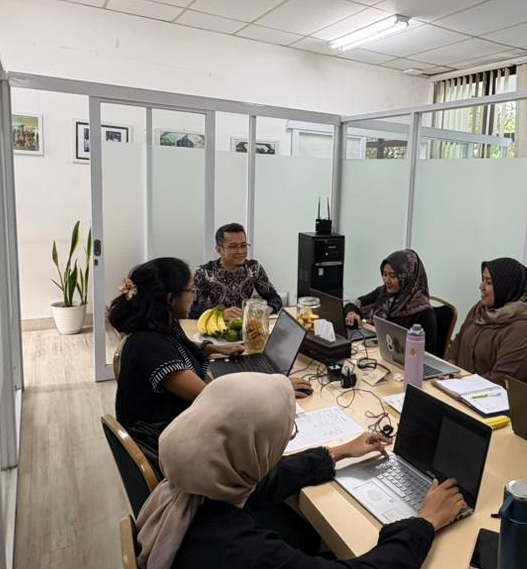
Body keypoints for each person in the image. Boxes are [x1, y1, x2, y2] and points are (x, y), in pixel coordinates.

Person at [136, 373, 468, 569]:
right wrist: (425, 523)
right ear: (251, 450)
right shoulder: (246, 552)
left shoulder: (194, 485)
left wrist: (338, 452)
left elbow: (265, 482)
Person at [110, 257, 310, 465]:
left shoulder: (158, 326)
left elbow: (179, 348)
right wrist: (276, 386)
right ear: (171, 299)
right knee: (272, 455)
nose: (194, 297)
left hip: (174, 431)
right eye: (191, 291)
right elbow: (212, 397)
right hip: (168, 452)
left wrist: (214, 349)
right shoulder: (149, 345)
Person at [445, 258, 527, 387]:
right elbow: (458, 341)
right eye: (483, 279)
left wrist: (459, 384)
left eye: (488, 282)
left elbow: (500, 380)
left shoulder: (526, 331)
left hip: (493, 396)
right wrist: (449, 370)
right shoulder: (480, 310)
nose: (481, 286)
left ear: (506, 288)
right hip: (460, 388)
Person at [344, 249, 441, 355]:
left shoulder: (424, 312)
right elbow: (355, 303)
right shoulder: (383, 292)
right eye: (384, 274)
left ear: (407, 276)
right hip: (379, 353)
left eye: (393, 276)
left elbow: (427, 356)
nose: (386, 280)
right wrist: (351, 312)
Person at [190, 223, 284, 321]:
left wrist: (265, 310)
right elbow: (189, 308)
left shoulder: (253, 269)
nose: (240, 251)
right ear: (219, 250)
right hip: (212, 326)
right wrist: (219, 314)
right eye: (233, 246)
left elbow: (275, 299)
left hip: (243, 326)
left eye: (243, 245)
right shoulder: (204, 273)